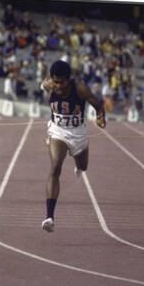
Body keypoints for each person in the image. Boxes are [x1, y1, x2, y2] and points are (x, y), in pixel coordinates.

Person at [40, 60, 106, 233]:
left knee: (83, 166)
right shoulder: (49, 85)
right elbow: (45, 85)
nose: (58, 86)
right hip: (58, 131)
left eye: (61, 82)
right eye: (55, 82)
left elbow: (99, 106)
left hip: (78, 133)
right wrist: (47, 86)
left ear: (68, 80)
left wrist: (101, 118)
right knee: (55, 167)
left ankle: (78, 165)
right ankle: (49, 217)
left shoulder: (80, 88)